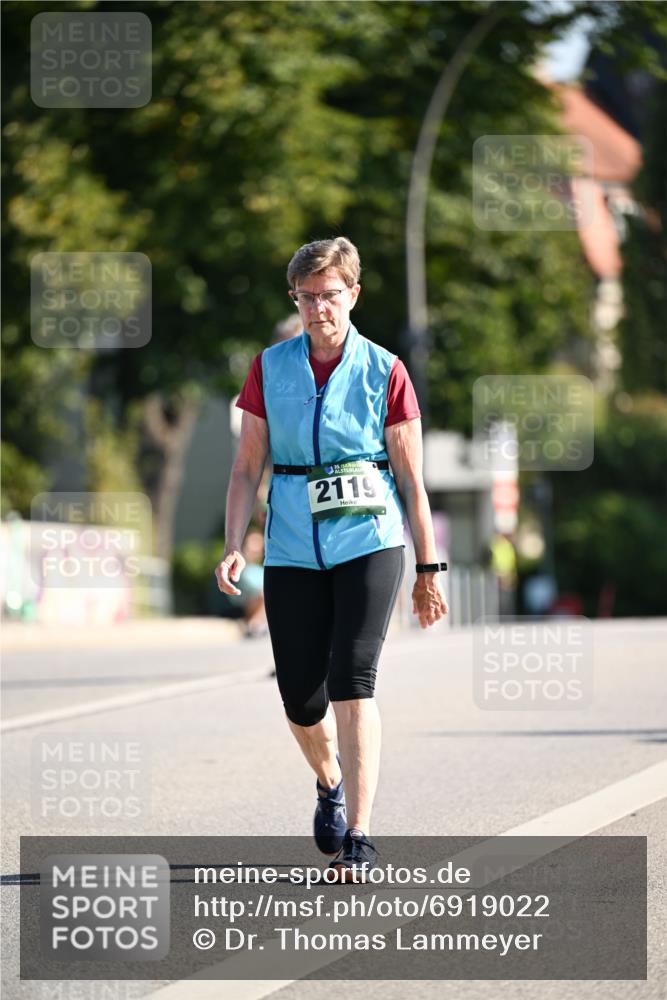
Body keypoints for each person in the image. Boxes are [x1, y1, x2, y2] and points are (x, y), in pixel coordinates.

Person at [215, 237, 447, 881]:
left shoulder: (385, 370)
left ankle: (360, 836)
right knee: (300, 695)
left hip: (369, 540)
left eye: (331, 295)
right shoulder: (269, 367)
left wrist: (429, 569)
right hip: (292, 545)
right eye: (307, 296)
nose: (319, 307)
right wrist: (233, 544)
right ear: (294, 299)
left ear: (353, 295)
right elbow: (246, 467)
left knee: (353, 678)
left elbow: (412, 480)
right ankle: (329, 780)